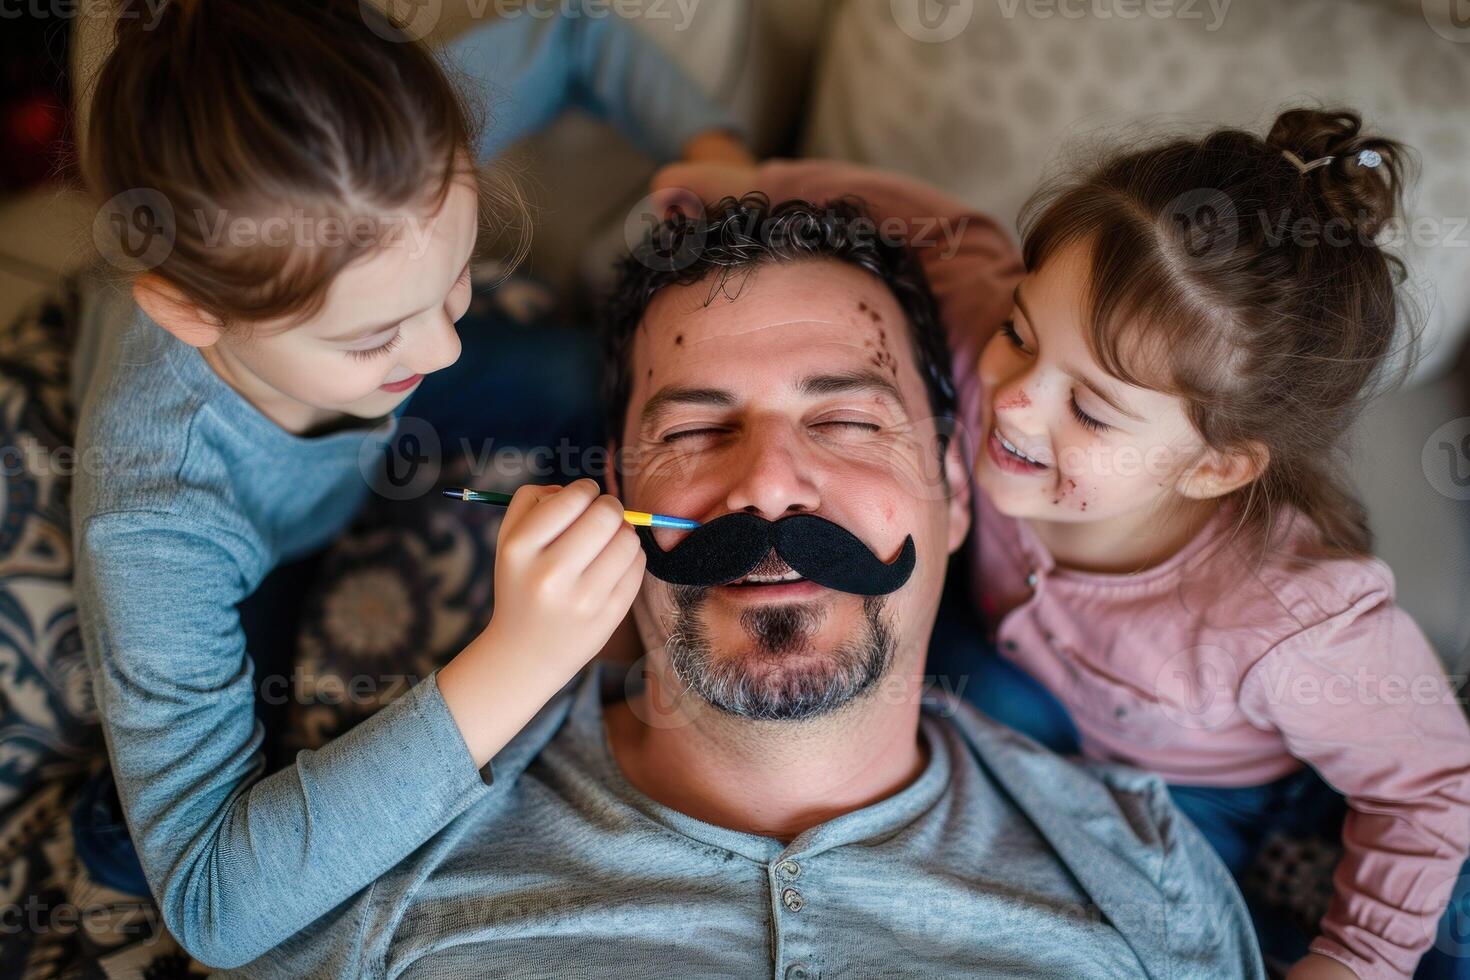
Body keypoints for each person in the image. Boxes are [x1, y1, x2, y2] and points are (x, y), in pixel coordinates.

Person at [222, 195, 1264, 979]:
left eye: (847, 421)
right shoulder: (367, 878)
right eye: (692, 428)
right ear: (614, 493)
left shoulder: (1146, 875)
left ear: (953, 486)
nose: (767, 483)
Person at [656, 107, 1470, 980]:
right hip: (1033, 704)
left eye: (1087, 408)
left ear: (1215, 468)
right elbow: (925, 229)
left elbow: (1428, 787)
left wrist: (1358, 958)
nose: (1012, 400)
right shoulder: (980, 355)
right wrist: (731, 182)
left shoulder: (1293, 623)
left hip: (1229, 797)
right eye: (1021, 331)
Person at [71, 0, 747, 966]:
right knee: (186, 827)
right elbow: (213, 907)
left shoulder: (380, 155)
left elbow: (574, 36)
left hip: (328, 451)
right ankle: (114, 820)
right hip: (252, 552)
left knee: (574, 376)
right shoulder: (154, 525)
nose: (444, 344)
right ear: (189, 313)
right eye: (373, 333)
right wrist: (517, 660)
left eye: (457, 275)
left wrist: (719, 152)